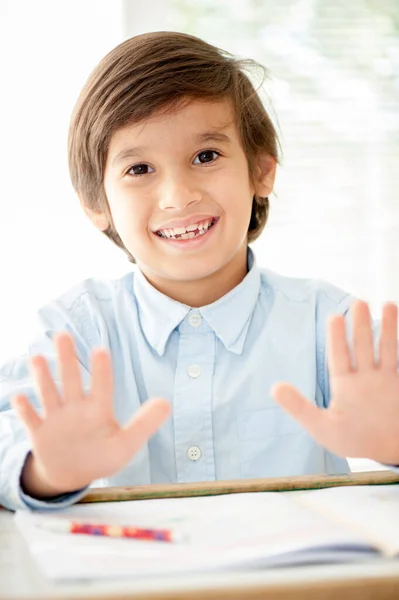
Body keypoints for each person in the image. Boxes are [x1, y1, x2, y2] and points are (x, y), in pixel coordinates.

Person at [0, 32, 397, 512]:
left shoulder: (328, 324)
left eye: (206, 156)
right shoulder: (76, 333)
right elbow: (9, 444)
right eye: (140, 169)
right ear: (95, 205)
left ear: (261, 171)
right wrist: (47, 471)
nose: (177, 196)